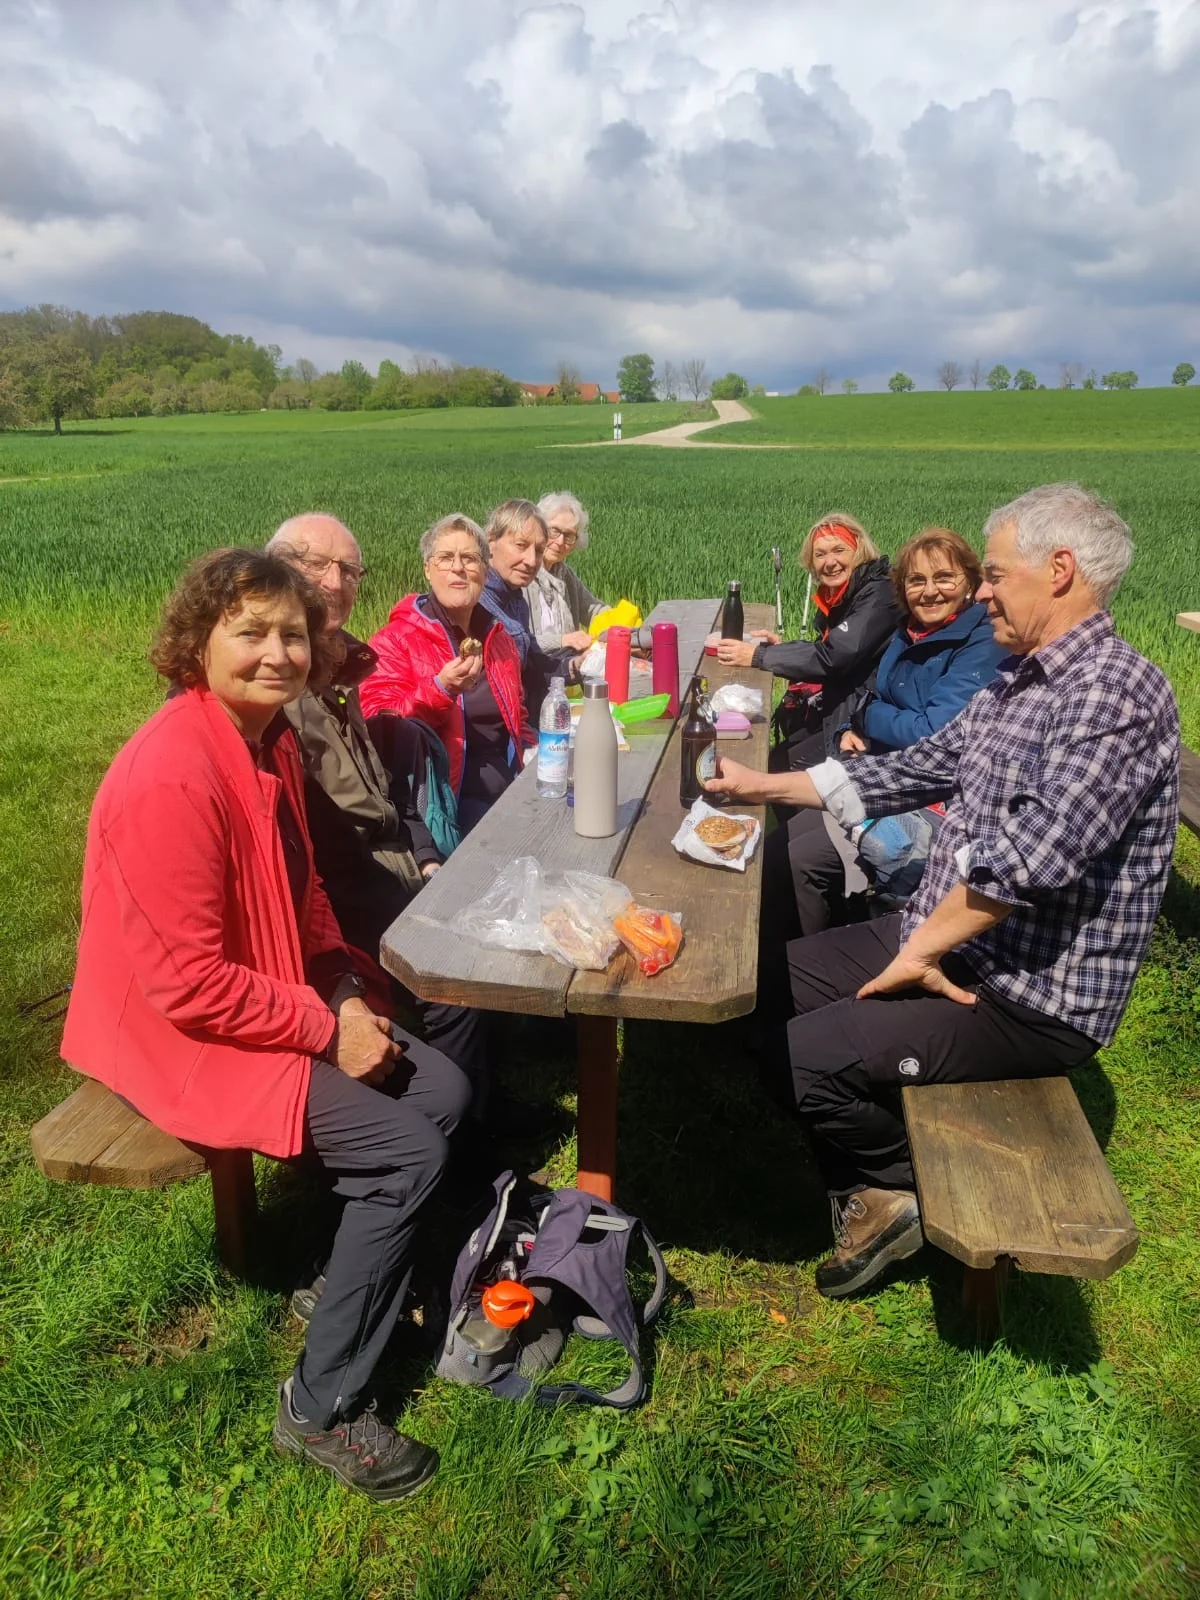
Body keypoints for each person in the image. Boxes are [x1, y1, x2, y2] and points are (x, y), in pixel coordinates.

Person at [61, 548, 470, 1500]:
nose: (277, 654)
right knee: (407, 1156)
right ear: (194, 645)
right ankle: (319, 1408)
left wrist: (342, 989)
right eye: (250, 633)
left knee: (442, 1087)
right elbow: (187, 985)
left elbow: (305, 894)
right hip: (176, 1034)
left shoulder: (267, 739)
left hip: (265, 993)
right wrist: (324, 1031)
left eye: (293, 633)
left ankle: (340, 1281)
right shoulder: (172, 774)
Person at [708, 483, 1179, 1300]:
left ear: (1059, 570)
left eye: (994, 573)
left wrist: (919, 949)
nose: (982, 589)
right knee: (764, 992)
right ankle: (877, 1170)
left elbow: (1031, 861)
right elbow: (915, 767)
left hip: (1027, 994)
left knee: (802, 1061)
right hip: (955, 937)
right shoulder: (1019, 678)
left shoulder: (1114, 694)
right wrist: (765, 788)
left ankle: (900, 1189)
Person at [266, 513, 489, 1108]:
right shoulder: (276, 688)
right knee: (451, 970)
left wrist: (425, 857)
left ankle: (475, 1096)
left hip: (388, 864)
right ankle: (456, 1119)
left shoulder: (340, 669)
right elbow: (311, 840)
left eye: (349, 571)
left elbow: (384, 788)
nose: (335, 583)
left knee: (472, 919)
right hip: (341, 894)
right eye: (316, 565)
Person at [768, 527, 1007, 944]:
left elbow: (934, 732)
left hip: (931, 799)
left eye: (944, 578)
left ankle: (806, 963)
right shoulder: (910, 630)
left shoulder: (980, 641)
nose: (929, 592)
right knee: (779, 840)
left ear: (970, 582)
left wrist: (868, 719)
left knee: (794, 860)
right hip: (878, 773)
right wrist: (850, 727)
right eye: (916, 581)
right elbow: (870, 700)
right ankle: (799, 950)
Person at [359, 513, 533, 835]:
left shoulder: (499, 640)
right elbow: (378, 723)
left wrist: (539, 752)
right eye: (445, 558)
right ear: (428, 569)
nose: (458, 568)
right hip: (444, 802)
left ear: (484, 569)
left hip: (511, 787)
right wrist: (441, 689)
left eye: (469, 558)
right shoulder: (395, 640)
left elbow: (517, 718)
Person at [717, 511, 901, 772]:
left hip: (865, 718)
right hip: (845, 704)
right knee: (776, 759)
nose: (830, 562)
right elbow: (827, 646)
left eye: (839, 550)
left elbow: (835, 656)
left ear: (858, 551)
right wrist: (779, 649)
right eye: (820, 554)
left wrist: (759, 657)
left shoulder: (879, 595)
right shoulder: (842, 594)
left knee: (780, 769)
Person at [480, 497, 574, 708]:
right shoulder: (477, 604)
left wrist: (576, 666)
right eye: (521, 545)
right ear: (490, 543)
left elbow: (532, 665)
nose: (532, 560)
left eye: (539, 550)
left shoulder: (516, 600)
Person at [531, 491, 606, 653]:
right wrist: (563, 640)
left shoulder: (565, 574)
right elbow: (518, 639)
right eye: (554, 531)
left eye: (569, 536)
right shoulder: (523, 576)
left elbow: (593, 610)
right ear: (539, 529)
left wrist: (627, 621)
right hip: (532, 670)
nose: (560, 542)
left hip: (567, 667)